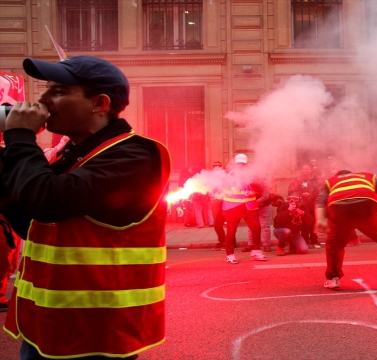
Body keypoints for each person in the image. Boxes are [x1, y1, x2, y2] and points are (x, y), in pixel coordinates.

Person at [0, 56, 170, 359]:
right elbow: (33, 219)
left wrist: (20, 137)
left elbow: (47, 201)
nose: (42, 100)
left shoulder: (134, 155)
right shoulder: (74, 154)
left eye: (59, 91)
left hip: (97, 334)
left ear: (99, 103)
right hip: (49, 326)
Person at [222, 153, 268, 263]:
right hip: (232, 207)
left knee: (256, 228)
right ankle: (230, 254)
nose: (241, 166)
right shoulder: (229, 175)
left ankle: (255, 251)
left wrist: (254, 181)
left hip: (249, 206)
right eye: (239, 164)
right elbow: (222, 187)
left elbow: (261, 187)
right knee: (231, 232)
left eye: (243, 164)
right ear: (236, 164)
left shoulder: (252, 174)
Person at [288, 163, 322, 248]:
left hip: (314, 204)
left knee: (314, 223)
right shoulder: (298, 180)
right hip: (303, 205)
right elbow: (292, 191)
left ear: (311, 170)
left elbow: (321, 190)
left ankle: (314, 241)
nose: (305, 171)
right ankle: (305, 241)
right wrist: (301, 195)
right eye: (303, 169)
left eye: (307, 169)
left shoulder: (317, 179)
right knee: (305, 224)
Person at [0, 215, 20, 313]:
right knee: (3, 263)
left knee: (10, 264)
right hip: (5, 219)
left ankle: (1, 295)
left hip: (12, 221)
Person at [210, 161, 227, 248]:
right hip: (222, 205)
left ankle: (230, 243)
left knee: (231, 225)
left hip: (229, 205)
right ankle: (223, 241)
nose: (216, 169)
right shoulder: (215, 179)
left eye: (218, 167)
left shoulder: (226, 177)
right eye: (214, 167)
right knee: (217, 225)